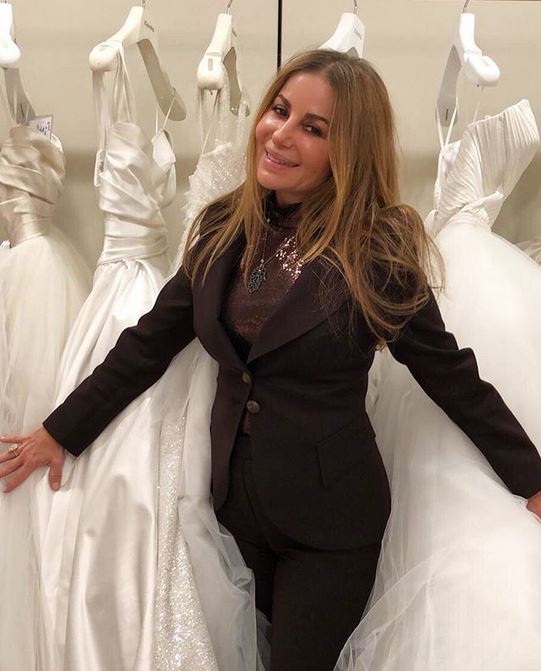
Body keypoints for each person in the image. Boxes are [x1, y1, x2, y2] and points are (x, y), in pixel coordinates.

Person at [1, 49, 541, 671]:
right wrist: (60, 432)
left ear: (350, 149)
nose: (280, 134)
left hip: (329, 524)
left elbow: (448, 371)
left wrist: (530, 477)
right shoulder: (224, 228)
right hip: (230, 511)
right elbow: (149, 342)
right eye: (279, 111)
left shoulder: (377, 251)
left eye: (313, 128)